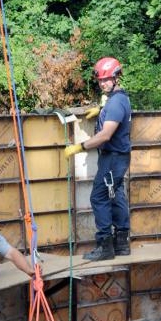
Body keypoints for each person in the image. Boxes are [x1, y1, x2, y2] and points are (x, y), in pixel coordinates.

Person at [65, 57, 131, 261]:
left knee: (99, 197)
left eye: (107, 79)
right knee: (116, 194)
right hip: (118, 157)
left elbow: (105, 135)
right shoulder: (119, 99)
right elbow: (112, 115)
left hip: (112, 158)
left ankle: (105, 246)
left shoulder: (116, 103)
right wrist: (101, 111)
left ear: (116, 77)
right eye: (101, 80)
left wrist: (79, 146)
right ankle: (122, 243)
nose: (103, 83)